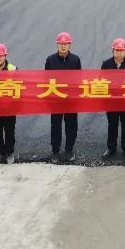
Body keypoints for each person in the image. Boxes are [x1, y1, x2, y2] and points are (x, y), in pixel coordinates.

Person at [45, 31, 81, 160]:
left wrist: (77, 98)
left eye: (66, 44)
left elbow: (79, 79)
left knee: (71, 126)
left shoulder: (75, 60)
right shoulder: (50, 60)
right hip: (56, 100)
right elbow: (46, 80)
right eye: (61, 44)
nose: (63, 46)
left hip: (71, 101)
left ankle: (69, 150)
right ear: (57, 45)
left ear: (70, 45)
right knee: (56, 126)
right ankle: (55, 151)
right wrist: (49, 101)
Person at [102, 38, 125, 158]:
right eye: (117, 50)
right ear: (113, 51)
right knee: (112, 125)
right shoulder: (106, 64)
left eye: (121, 50)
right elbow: (102, 82)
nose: (119, 53)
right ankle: (111, 147)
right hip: (112, 101)